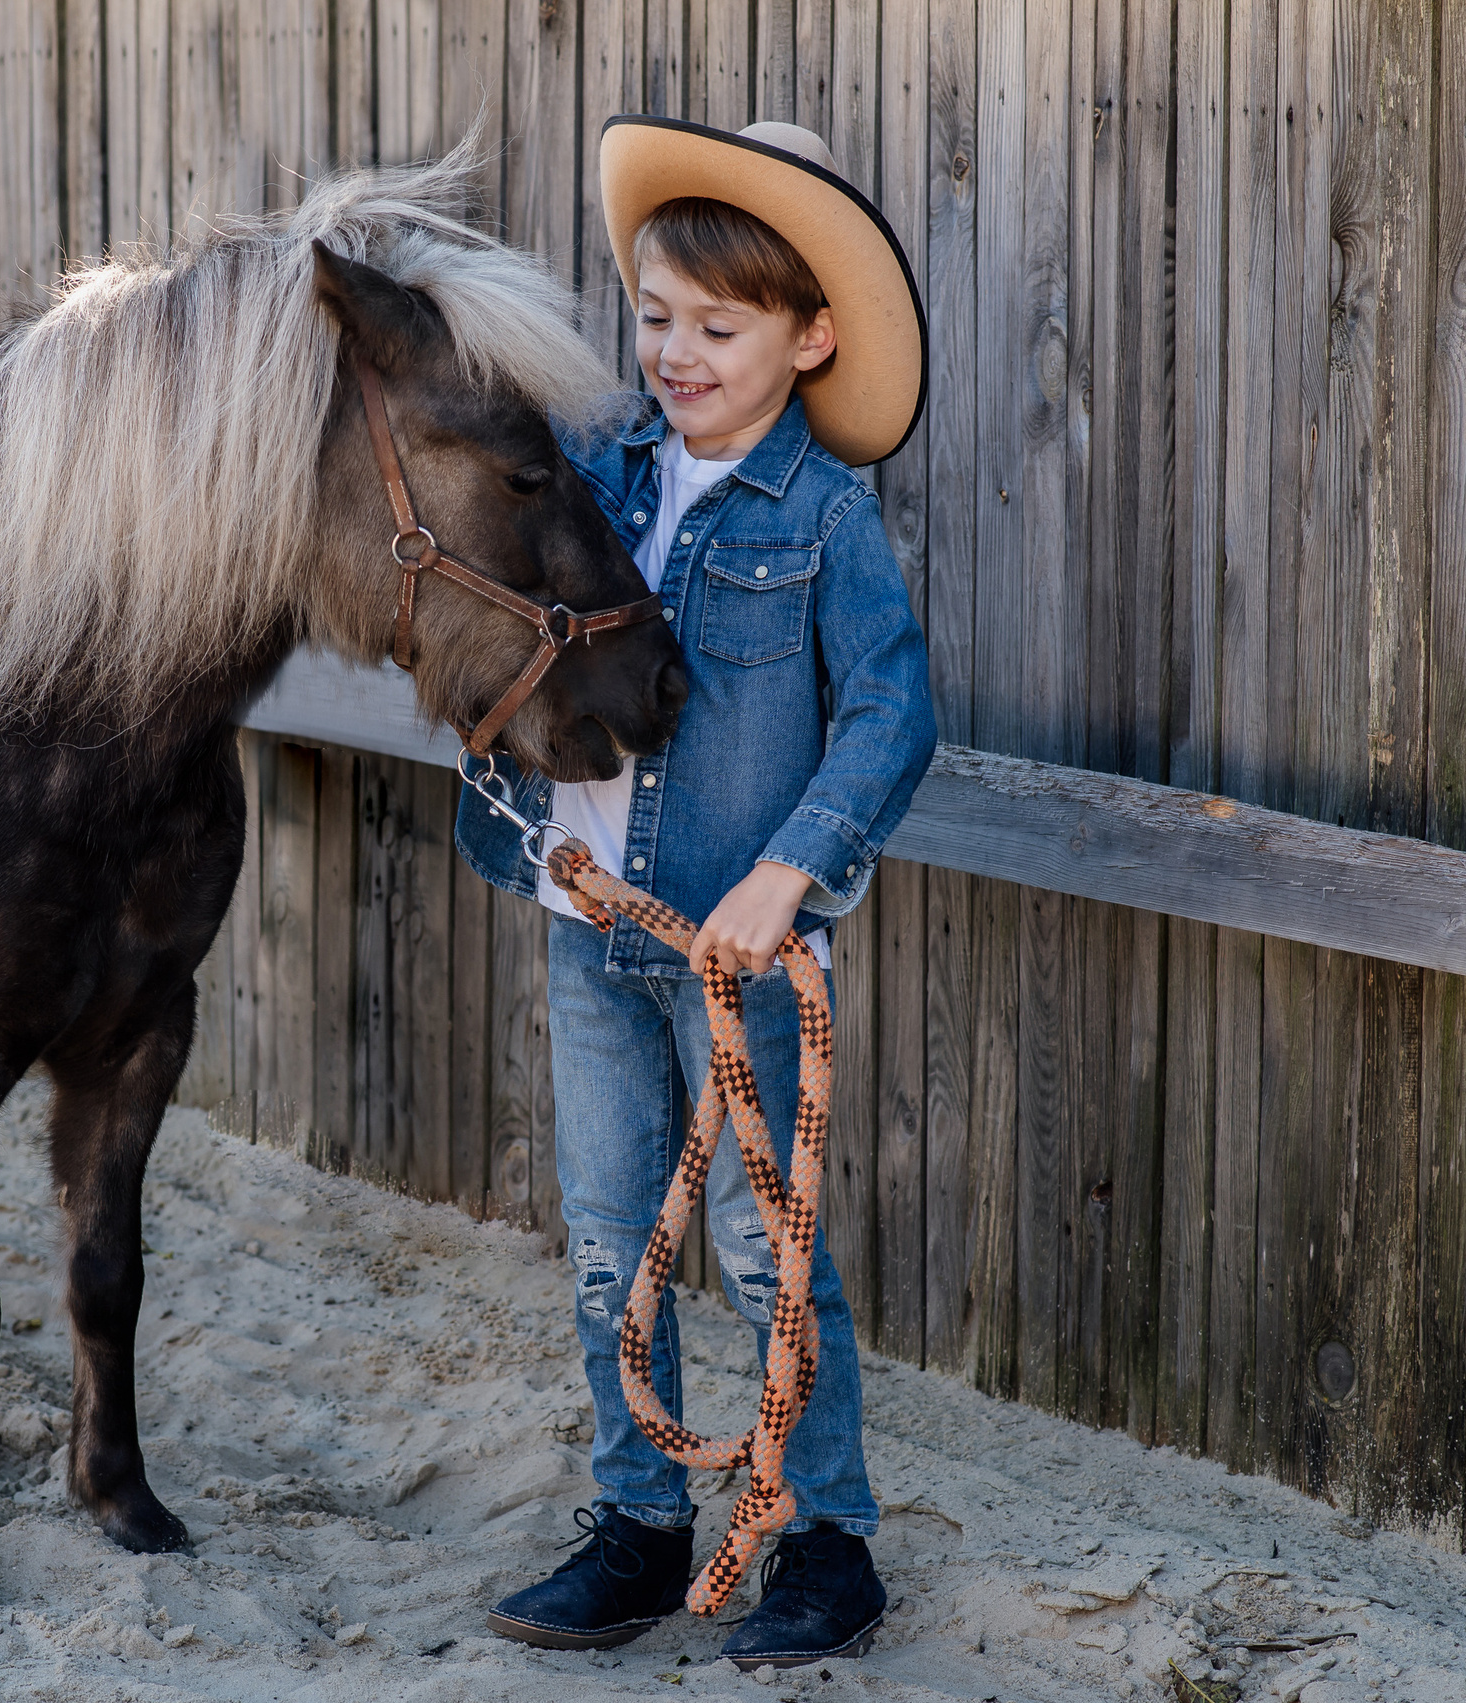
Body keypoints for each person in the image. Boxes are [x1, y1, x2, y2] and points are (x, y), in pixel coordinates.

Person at [456, 116, 935, 1671]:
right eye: (655, 318)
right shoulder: (597, 473)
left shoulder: (822, 519)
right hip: (590, 929)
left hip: (739, 955)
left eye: (717, 329)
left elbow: (888, 712)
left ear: (809, 339)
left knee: (763, 1249)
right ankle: (642, 1521)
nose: (674, 353)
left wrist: (790, 875)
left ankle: (830, 1538)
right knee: (609, 1239)